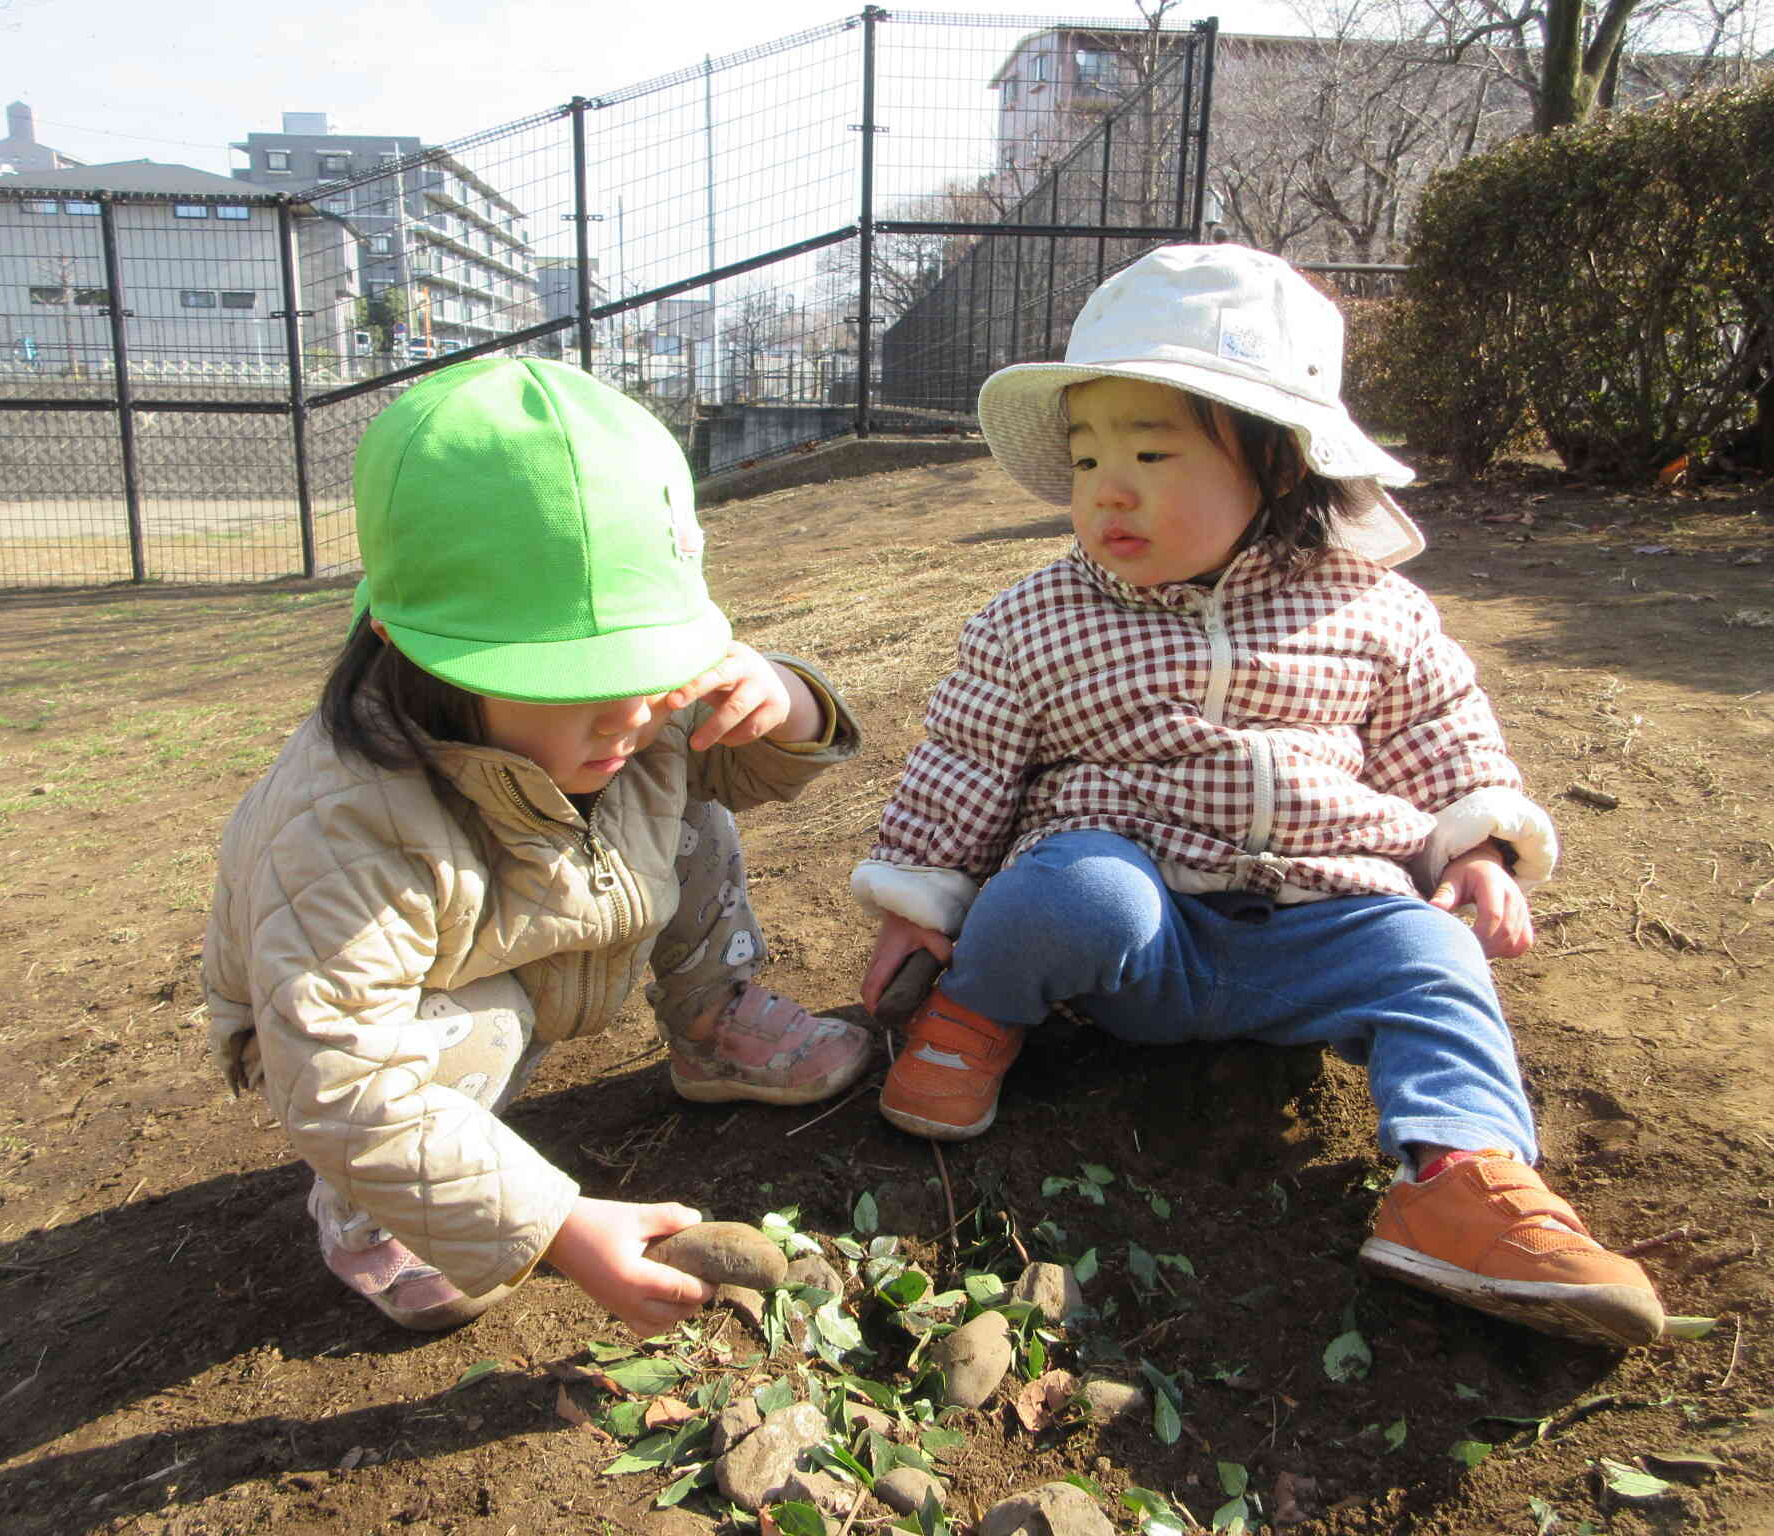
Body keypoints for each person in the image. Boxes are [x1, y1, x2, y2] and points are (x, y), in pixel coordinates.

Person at [853, 245, 1665, 1348]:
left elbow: (1438, 727)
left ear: (1278, 466)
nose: (1107, 489)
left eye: (1151, 452)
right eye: (1086, 458)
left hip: (1323, 927)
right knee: (1072, 889)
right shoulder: (1032, 619)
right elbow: (964, 760)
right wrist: (918, 901)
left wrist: (1478, 846)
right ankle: (974, 1016)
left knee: (1435, 960)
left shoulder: (1370, 608)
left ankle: (1459, 1175)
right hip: (1140, 938)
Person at [204, 357, 871, 1335]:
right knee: (481, 1031)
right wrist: (553, 1226)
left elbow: (747, 766)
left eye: (653, 661)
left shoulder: (636, 713)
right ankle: (375, 1213)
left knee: (693, 814)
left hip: (529, 929)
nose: (634, 713)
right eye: (577, 678)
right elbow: (339, 1074)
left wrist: (787, 697)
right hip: (374, 1024)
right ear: (419, 650)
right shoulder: (344, 821)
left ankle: (712, 1023)